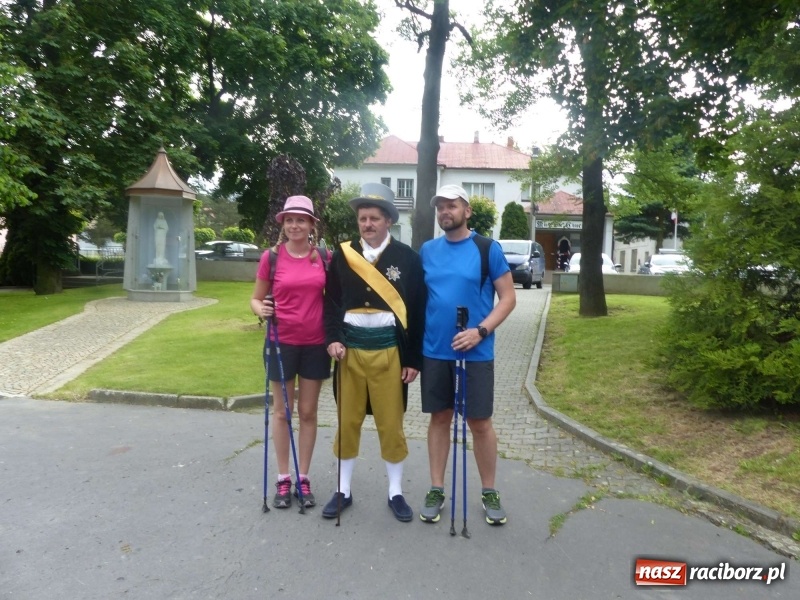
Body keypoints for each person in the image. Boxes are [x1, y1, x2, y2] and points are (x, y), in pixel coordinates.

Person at [322, 182, 426, 522]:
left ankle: (395, 492)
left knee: (391, 423)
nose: (367, 224)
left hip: (390, 353)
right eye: (362, 218)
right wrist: (333, 337)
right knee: (347, 421)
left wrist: (412, 359)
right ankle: (343, 490)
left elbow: (417, 310)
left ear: (389, 221)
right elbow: (332, 301)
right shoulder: (342, 254)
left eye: (374, 218)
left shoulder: (408, 259)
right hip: (349, 353)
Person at [418, 184, 516, 526]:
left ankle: (489, 491)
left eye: (452, 206)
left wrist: (481, 331)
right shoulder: (427, 251)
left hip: (476, 353)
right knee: (440, 418)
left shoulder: (487, 248)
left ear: (467, 211)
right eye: (440, 207)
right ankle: (435, 488)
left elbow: (507, 299)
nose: (446, 211)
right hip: (435, 350)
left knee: (479, 422)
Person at [250, 195, 330, 509]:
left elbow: (333, 299)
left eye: (301, 219)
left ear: (311, 224)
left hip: (315, 343)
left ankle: (303, 476)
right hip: (280, 342)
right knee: (283, 412)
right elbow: (255, 299)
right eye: (289, 220)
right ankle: (284, 478)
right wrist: (262, 307)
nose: (294, 225)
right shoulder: (270, 258)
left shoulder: (323, 257)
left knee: (308, 413)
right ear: (282, 223)